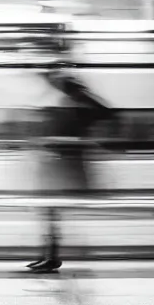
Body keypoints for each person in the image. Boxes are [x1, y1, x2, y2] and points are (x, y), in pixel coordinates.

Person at [27, 61, 113, 273]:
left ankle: (52, 256)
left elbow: (103, 113)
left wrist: (70, 139)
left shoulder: (79, 101)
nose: (53, 83)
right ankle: (49, 255)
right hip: (56, 167)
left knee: (51, 212)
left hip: (67, 168)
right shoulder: (65, 101)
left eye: (56, 80)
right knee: (49, 212)